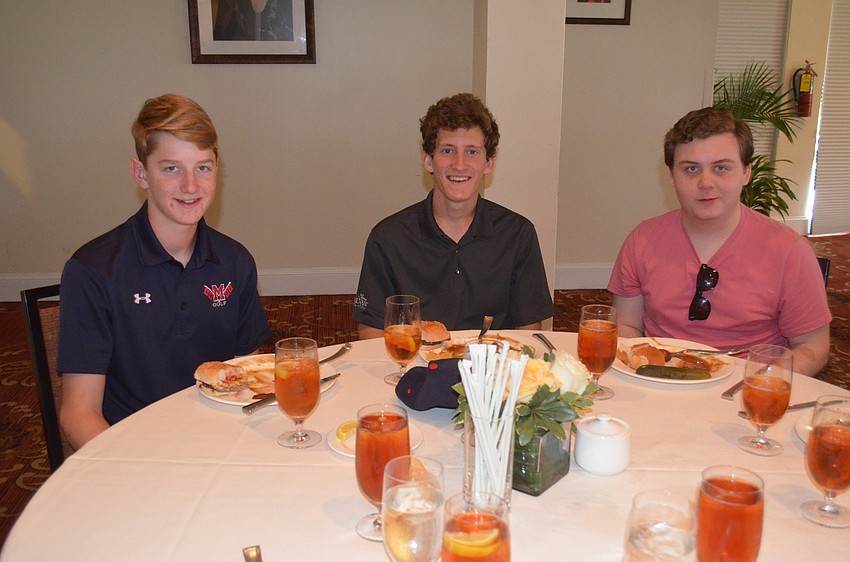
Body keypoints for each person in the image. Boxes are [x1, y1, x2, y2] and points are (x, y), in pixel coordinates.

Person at [57, 94, 271, 449]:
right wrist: (136, 473)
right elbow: (78, 412)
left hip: (220, 442)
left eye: (202, 167)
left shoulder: (235, 261)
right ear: (140, 173)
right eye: (172, 168)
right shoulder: (93, 270)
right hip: (137, 448)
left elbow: (248, 379)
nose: (190, 186)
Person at [608, 107, 830, 376]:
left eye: (721, 168)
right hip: (660, 378)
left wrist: (765, 382)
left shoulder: (790, 251)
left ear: (746, 172)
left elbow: (812, 347)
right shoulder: (642, 240)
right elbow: (627, 327)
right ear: (671, 177)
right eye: (691, 169)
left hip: (744, 389)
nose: (706, 182)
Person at [352, 93, 554, 339]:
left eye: (472, 152)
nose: (459, 165)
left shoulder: (518, 234)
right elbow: (371, 329)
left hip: (490, 370)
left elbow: (528, 331)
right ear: (428, 161)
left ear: (489, 163)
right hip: (415, 369)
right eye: (448, 150)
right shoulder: (388, 238)